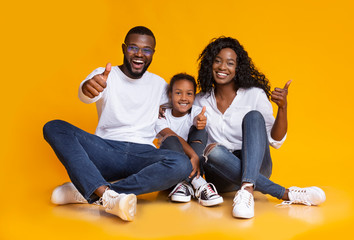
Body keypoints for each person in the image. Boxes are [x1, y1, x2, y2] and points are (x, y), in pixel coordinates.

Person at [43, 26, 192, 221]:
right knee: (54, 127)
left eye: (146, 50)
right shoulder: (105, 75)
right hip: (105, 151)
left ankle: (95, 192)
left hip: (144, 155)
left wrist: (198, 126)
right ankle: (102, 192)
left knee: (181, 163)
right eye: (133, 48)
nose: (139, 54)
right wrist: (88, 88)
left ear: (153, 53)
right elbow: (87, 92)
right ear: (123, 48)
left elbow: (182, 106)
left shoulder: (160, 85)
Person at [194, 37, 326, 219]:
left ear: (237, 68)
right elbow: (185, 128)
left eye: (230, 63)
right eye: (217, 61)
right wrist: (166, 109)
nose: (223, 67)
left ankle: (247, 188)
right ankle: (286, 193)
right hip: (220, 173)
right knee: (213, 152)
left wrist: (283, 108)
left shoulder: (254, 94)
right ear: (210, 64)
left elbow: (276, 140)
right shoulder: (200, 100)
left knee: (254, 117)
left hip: (256, 165)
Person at [155, 73, 223, 206]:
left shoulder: (196, 111)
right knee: (170, 140)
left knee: (200, 131)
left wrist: (200, 121)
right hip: (171, 170)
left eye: (189, 94)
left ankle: (185, 184)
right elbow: (172, 135)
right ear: (170, 95)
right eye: (178, 93)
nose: (184, 98)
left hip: (195, 167)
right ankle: (200, 185)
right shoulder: (161, 115)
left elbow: (198, 118)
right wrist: (193, 156)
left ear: (194, 96)